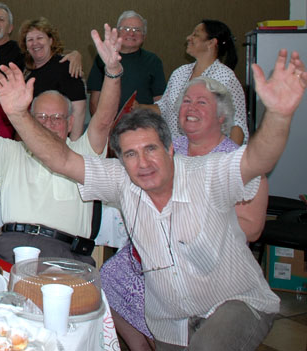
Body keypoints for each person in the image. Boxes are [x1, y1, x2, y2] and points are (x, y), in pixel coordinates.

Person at [0, 48, 307, 350]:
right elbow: (61, 159)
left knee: (209, 346)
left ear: (171, 149)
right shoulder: (123, 181)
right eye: (130, 153)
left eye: (151, 149)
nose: (142, 162)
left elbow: (258, 160)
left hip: (235, 300)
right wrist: (20, 115)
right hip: (172, 319)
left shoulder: (207, 171)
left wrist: (278, 115)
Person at [101, 77, 269, 350]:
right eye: (186, 101)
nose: (191, 107)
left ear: (222, 115)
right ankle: (140, 345)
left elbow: (251, 228)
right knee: (108, 276)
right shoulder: (170, 148)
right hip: (153, 254)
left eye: (202, 102)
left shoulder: (235, 159)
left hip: (206, 262)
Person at [0, 25, 121, 264]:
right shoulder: (12, 152)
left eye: (57, 118)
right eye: (42, 118)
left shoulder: (83, 153)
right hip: (9, 247)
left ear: (70, 123)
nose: (48, 124)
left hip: (63, 254)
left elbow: (104, 120)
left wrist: (112, 72)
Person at [155, 19, 247, 144]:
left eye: (195, 35)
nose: (188, 38)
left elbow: (237, 125)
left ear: (211, 43)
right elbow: (163, 107)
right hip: (177, 152)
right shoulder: (180, 72)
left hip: (210, 155)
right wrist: (139, 107)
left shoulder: (225, 78)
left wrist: (229, 159)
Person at [87, 10, 165, 116]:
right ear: (117, 32)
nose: (131, 33)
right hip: (109, 126)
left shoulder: (153, 61)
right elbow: (94, 102)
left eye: (137, 30)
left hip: (143, 125)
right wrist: (104, 128)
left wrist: (141, 108)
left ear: (144, 36)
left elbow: (161, 105)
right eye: (126, 29)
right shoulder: (104, 58)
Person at [20, 18, 87, 139]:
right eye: (30, 40)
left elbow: (79, 109)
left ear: (51, 41)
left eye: (40, 38)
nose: (35, 43)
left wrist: (73, 145)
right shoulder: (28, 73)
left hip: (60, 140)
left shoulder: (66, 66)